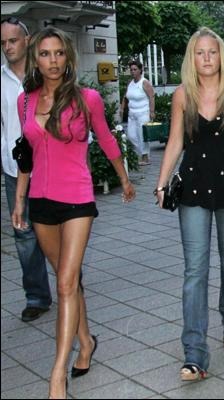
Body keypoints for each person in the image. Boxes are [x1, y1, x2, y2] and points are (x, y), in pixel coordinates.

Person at [10, 26, 136, 398]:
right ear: (36, 59)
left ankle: (56, 376)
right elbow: (26, 154)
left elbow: (107, 138)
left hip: (78, 199)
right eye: (45, 54)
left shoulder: (87, 98)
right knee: (69, 281)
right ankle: (86, 341)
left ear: (68, 57)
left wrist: (124, 178)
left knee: (65, 283)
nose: (52, 61)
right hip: (41, 201)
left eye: (59, 53)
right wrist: (19, 200)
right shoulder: (25, 101)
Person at [155, 27, 224, 381]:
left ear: (221, 56)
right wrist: (161, 183)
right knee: (194, 270)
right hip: (194, 186)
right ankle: (194, 353)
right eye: (200, 53)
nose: (206, 58)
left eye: (212, 52)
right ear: (192, 58)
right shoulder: (182, 95)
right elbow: (175, 142)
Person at [1, 17, 53, 323]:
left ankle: (71, 285)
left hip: (50, 169)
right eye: (2, 43)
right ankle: (36, 297)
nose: (7, 47)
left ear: (27, 40)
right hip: (14, 169)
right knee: (23, 234)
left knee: (60, 230)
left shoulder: (47, 73)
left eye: (12, 40)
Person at [121, 59, 154, 165]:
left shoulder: (144, 82)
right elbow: (125, 97)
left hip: (143, 113)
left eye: (135, 69)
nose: (132, 72)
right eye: (131, 70)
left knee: (142, 136)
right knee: (131, 136)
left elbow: (151, 97)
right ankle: (141, 153)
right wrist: (122, 108)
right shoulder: (130, 83)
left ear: (140, 70)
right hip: (132, 114)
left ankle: (145, 157)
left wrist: (152, 111)